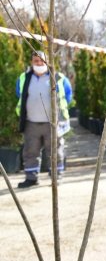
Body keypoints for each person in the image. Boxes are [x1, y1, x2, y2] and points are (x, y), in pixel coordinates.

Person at [15, 50, 73, 188]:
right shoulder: (24, 77)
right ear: (32, 62)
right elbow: (19, 94)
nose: (39, 63)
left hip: (53, 124)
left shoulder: (58, 78)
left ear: (47, 61)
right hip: (31, 122)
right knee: (30, 151)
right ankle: (31, 178)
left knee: (54, 150)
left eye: (42, 61)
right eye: (36, 61)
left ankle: (56, 177)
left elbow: (68, 96)